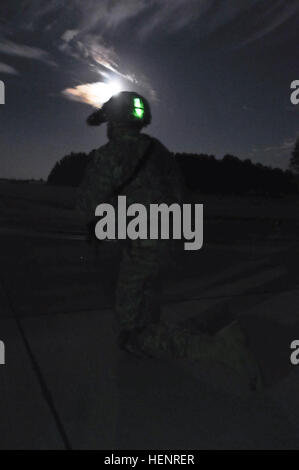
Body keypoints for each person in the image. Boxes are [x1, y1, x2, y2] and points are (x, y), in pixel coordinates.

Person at [77, 90, 292, 392]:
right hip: (169, 245)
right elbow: (182, 197)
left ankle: (222, 349)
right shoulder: (159, 151)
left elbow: (88, 205)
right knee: (148, 308)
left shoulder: (110, 154)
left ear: (115, 121)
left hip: (141, 247)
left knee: (132, 331)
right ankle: (151, 353)